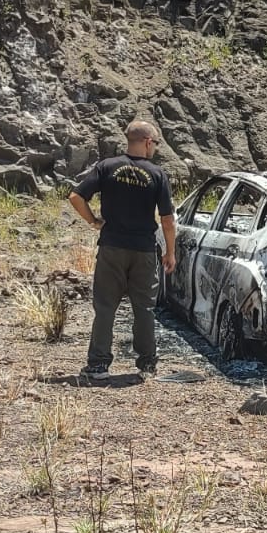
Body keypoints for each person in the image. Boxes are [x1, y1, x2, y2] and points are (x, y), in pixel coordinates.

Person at [68, 121, 177, 380]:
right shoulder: (158, 174)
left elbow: (75, 197)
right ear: (148, 141)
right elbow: (168, 220)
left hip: (112, 247)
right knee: (144, 309)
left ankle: (98, 365)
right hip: (143, 250)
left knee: (105, 307)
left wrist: (94, 221)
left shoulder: (107, 167)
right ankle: (147, 365)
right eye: (156, 143)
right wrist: (170, 252)